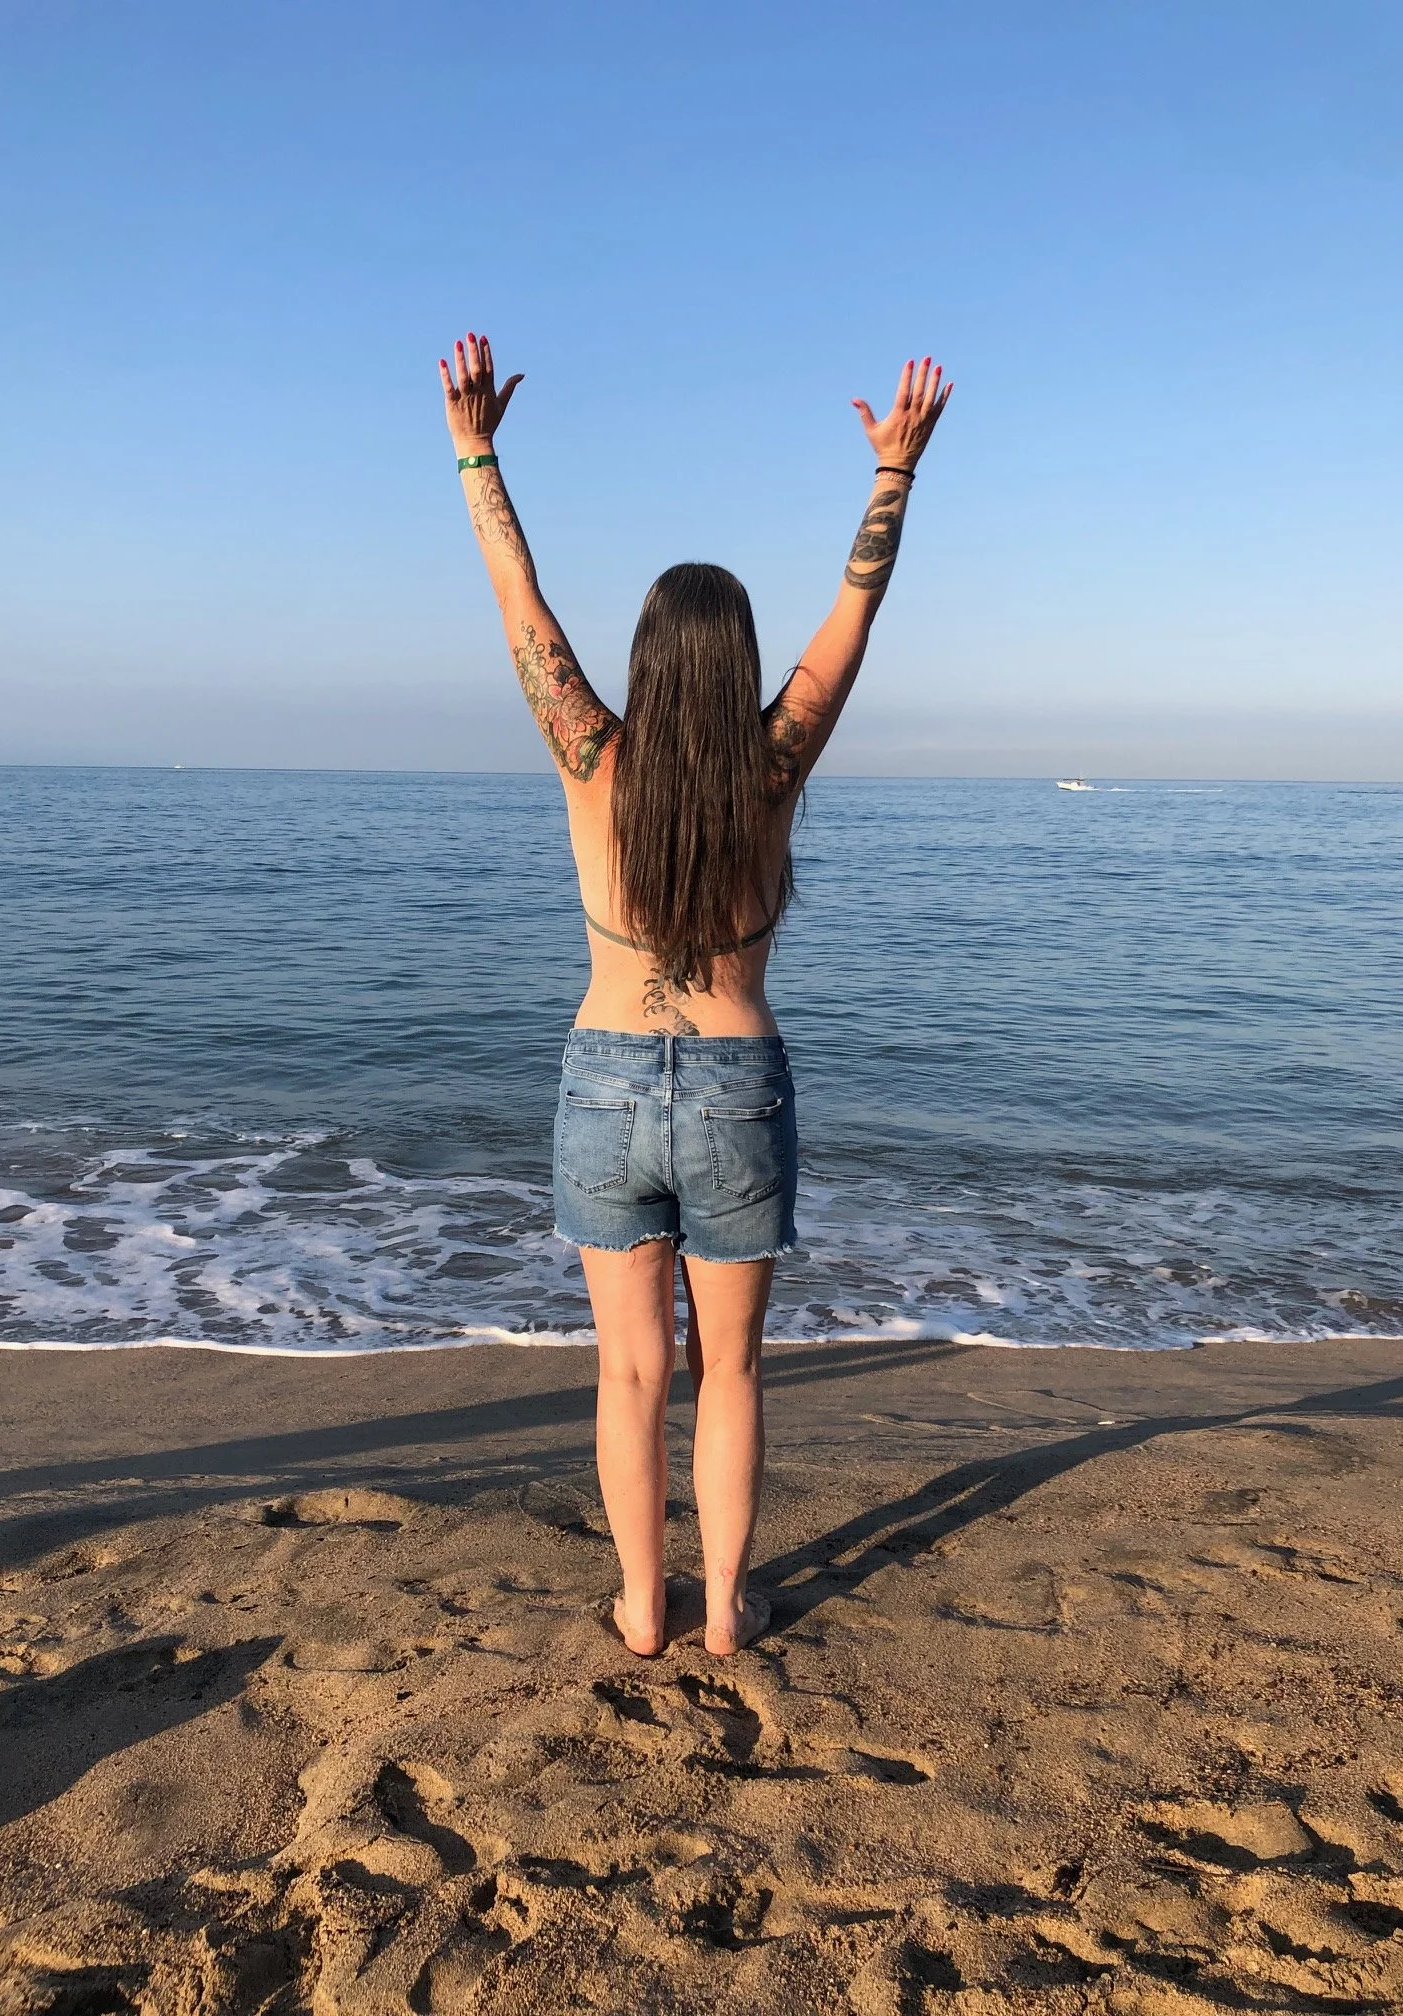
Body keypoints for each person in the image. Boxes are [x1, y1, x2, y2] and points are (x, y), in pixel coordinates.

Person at [439, 334, 951, 1657]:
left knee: (628, 1371)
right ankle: (724, 1610)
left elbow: (520, 606)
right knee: (732, 1367)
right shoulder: (773, 765)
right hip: (735, 1084)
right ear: (736, 666)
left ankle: (638, 1608)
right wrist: (893, 473)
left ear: (651, 660)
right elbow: (858, 619)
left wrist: (476, 450)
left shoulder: (591, 755)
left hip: (605, 1080)